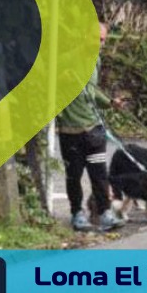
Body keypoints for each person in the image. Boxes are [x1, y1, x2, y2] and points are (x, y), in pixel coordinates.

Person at [57, 22, 124, 231]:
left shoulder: (95, 60)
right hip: (70, 129)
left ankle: (104, 213)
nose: (100, 44)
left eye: (103, 40)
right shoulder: (65, 60)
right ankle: (77, 213)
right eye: (97, 39)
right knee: (74, 175)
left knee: (99, 174)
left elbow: (91, 90)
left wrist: (110, 103)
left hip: (93, 128)